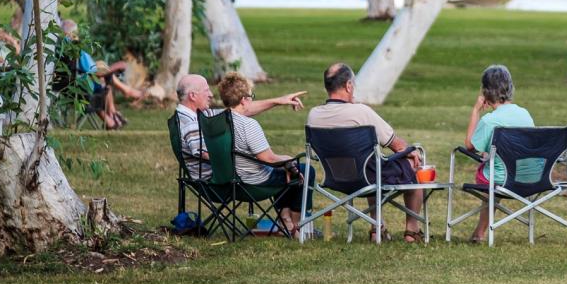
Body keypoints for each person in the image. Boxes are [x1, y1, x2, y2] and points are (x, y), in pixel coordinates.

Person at [306, 62, 425, 243]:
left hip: (335, 178)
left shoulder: (314, 115)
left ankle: (377, 226)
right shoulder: (361, 111)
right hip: (367, 178)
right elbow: (396, 145)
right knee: (410, 163)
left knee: (369, 163)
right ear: (348, 85)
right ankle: (412, 229)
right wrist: (411, 151)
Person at [174, 74, 309, 231]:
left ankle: (285, 219)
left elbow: (238, 111)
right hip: (223, 183)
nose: (211, 94)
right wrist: (245, 155)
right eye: (206, 90)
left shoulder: (196, 116)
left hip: (221, 179)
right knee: (300, 169)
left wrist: (278, 101)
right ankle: (298, 227)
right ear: (192, 95)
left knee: (281, 165)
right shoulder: (190, 124)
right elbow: (208, 154)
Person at [464, 64, 535, 244]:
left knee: (491, 174)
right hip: (527, 178)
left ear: (486, 92)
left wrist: (475, 111)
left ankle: (480, 233)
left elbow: (470, 146)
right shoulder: (525, 115)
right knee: (496, 166)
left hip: (499, 180)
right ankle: (479, 232)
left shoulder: (489, 120)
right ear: (510, 88)